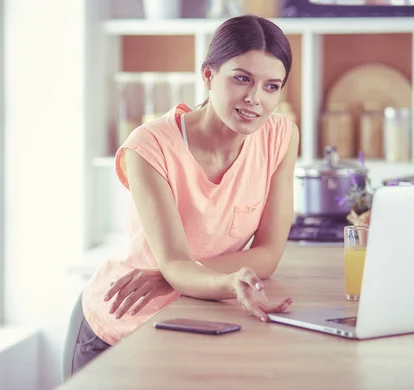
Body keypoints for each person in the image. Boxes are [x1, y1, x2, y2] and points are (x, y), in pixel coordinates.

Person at [63, 14, 299, 380]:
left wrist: (172, 277)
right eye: (242, 78)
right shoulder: (150, 146)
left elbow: (268, 255)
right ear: (208, 75)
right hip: (118, 327)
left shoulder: (279, 136)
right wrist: (219, 279)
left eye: (272, 86)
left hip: (194, 320)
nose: (255, 99)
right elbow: (175, 264)